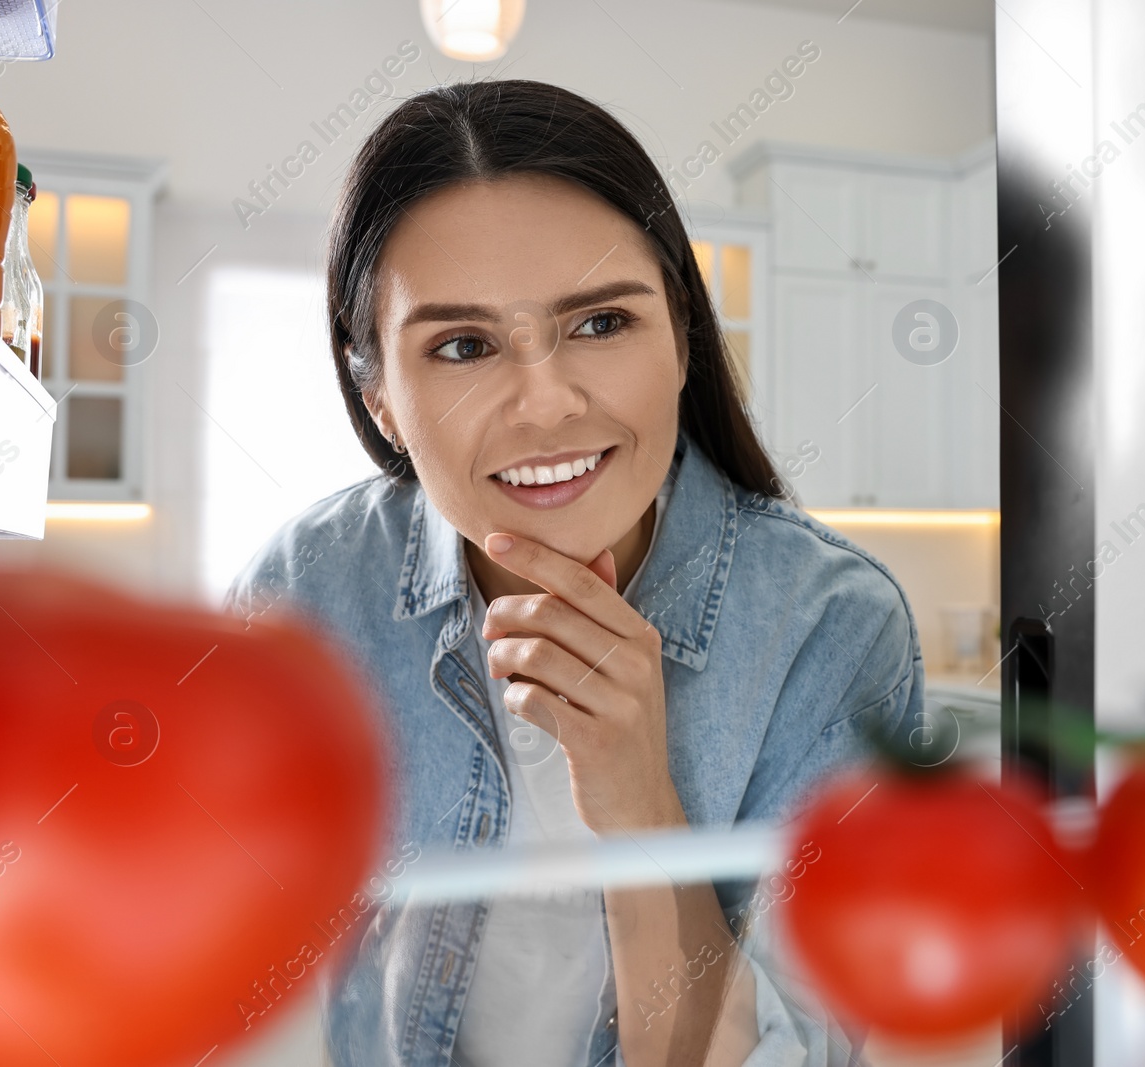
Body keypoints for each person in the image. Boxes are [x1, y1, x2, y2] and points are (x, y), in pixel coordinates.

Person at [226, 78, 923, 1067]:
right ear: (378, 394)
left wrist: (639, 800)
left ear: (681, 335)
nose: (546, 405)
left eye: (600, 322)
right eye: (463, 345)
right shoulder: (307, 589)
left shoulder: (832, 626)